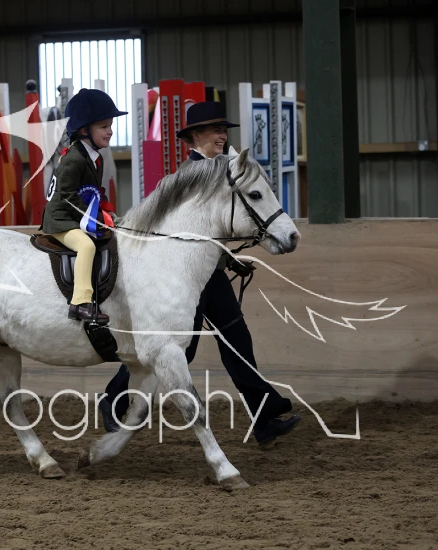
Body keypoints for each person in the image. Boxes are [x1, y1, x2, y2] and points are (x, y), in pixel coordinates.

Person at [98, 100, 302, 449]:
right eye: (215, 130)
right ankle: (113, 398)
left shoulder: (224, 173)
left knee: (237, 340)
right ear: (194, 136)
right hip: (183, 279)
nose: (222, 136)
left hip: (212, 276)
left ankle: (265, 417)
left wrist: (229, 259)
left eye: (224, 131)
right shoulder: (187, 176)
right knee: (179, 350)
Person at [40, 88, 127, 325]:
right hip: (61, 220)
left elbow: (95, 193)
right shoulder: (74, 159)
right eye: (104, 127)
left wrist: (107, 214)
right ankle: (80, 302)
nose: (110, 131)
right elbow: (67, 196)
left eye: (110, 126)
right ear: (84, 130)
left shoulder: (94, 157)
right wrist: (95, 218)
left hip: (75, 216)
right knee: (86, 246)